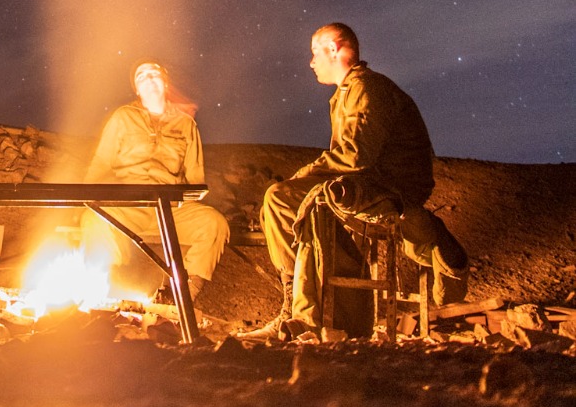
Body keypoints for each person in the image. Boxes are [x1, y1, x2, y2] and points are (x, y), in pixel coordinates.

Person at [244, 22, 469, 342]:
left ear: (334, 50)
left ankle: (302, 313)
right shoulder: (348, 92)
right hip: (374, 181)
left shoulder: (366, 88)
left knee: (282, 197)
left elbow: (354, 156)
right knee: (300, 201)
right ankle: (315, 312)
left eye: (314, 53)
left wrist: (306, 173)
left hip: (390, 187)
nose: (311, 62)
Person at [81, 60, 229, 301]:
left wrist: (191, 204)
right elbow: (101, 163)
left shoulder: (187, 125)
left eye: (154, 74)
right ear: (137, 90)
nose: (148, 79)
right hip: (128, 207)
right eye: (141, 76)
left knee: (214, 223)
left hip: (170, 210)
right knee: (94, 220)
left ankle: (182, 297)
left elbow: (194, 178)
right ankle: (96, 297)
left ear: (166, 83)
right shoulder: (123, 117)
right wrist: (85, 202)